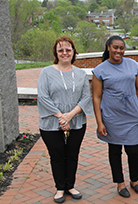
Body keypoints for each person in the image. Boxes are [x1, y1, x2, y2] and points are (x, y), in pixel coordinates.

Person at [37, 36, 93, 203]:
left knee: (72, 155)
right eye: (60, 49)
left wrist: (70, 116)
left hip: (76, 121)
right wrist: (61, 117)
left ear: (73, 51)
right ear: (56, 52)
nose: (64, 53)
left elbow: (86, 98)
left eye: (68, 49)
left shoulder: (81, 74)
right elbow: (43, 97)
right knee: (57, 155)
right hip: (51, 123)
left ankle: (70, 185)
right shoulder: (46, 72)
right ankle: (60, 188)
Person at [92, 36, 138, 198]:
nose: (118, 51)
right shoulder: (100, 70)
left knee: (133, 151)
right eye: (115, 47)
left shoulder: (133, 65)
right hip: (112, 117)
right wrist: (100, 122)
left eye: (121, 48)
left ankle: (134, 181)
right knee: (115, 151)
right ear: (108, 47)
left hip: (130, 116)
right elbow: (96, 97)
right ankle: (120, 183)